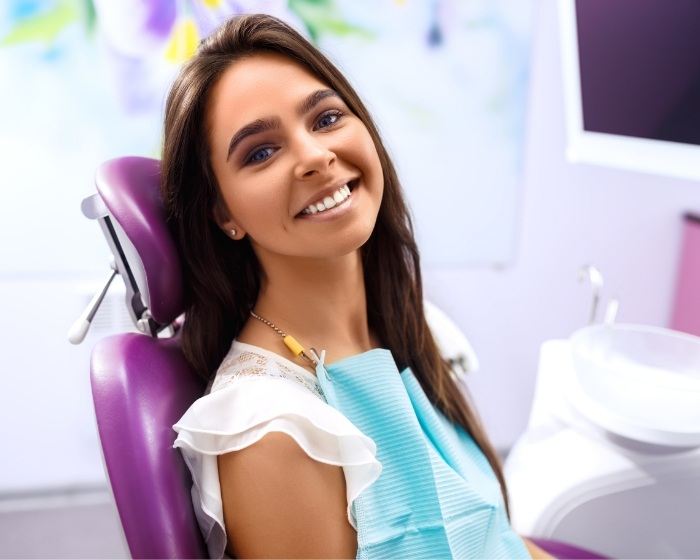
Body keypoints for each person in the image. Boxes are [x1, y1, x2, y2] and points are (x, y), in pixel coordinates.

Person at [164, 13, 552, 560]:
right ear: (225, 213)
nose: (316, 156)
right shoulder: (274, 432)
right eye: (261, 152)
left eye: (325, 118)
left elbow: (496, 538)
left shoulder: (402, 325)